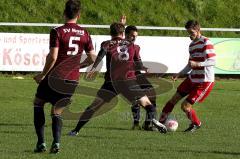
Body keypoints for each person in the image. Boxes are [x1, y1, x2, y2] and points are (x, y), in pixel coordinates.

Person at [68, 22, 167, 136]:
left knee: (93, 107)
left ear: (110, 33)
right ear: (123, 33)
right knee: (148, 104)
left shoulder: (107, 43)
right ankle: (153, 120)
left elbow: (101, 54)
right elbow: (138, 65)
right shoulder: (132, 46)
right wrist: (145, 69)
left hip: (111, 82)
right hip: (129, 81)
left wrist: (93, 68)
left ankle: (76, 130)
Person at [33, 0, 95, 153]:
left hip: (55, 76)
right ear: (78, 15)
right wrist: (78, 66)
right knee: (57, 111)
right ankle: (57, 143)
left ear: (64, 13)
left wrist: (42, 74)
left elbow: (53, 57)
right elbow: (93, 58)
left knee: (38, 103)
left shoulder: (57, 31)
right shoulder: (85, 33)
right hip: (72, 79)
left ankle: (41, 143)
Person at [157, 20, 216, 132]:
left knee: (185, 106)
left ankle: (196, 123)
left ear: (199, 30)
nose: (190, 35)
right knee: (172, 100)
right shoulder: (192, 45)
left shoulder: (206, 42)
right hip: (192, 78)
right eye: (188, 32)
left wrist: (198, 64)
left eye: (192, 32)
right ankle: (160, 124)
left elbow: (212, 61)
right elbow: (190, 65)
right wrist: (179, 73)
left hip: (204, 81)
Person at [124, 25, 157, 131]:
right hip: (126, 77)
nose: (134, 38)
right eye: (132, 36)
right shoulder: (119, 46)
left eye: (135, 36)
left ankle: (147, 124)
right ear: (126, 35)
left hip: (137, 74)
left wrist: (146, 69)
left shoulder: (136, 47)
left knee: (152, 95)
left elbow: (139, 63)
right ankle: (136, 123)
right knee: (136, 99)